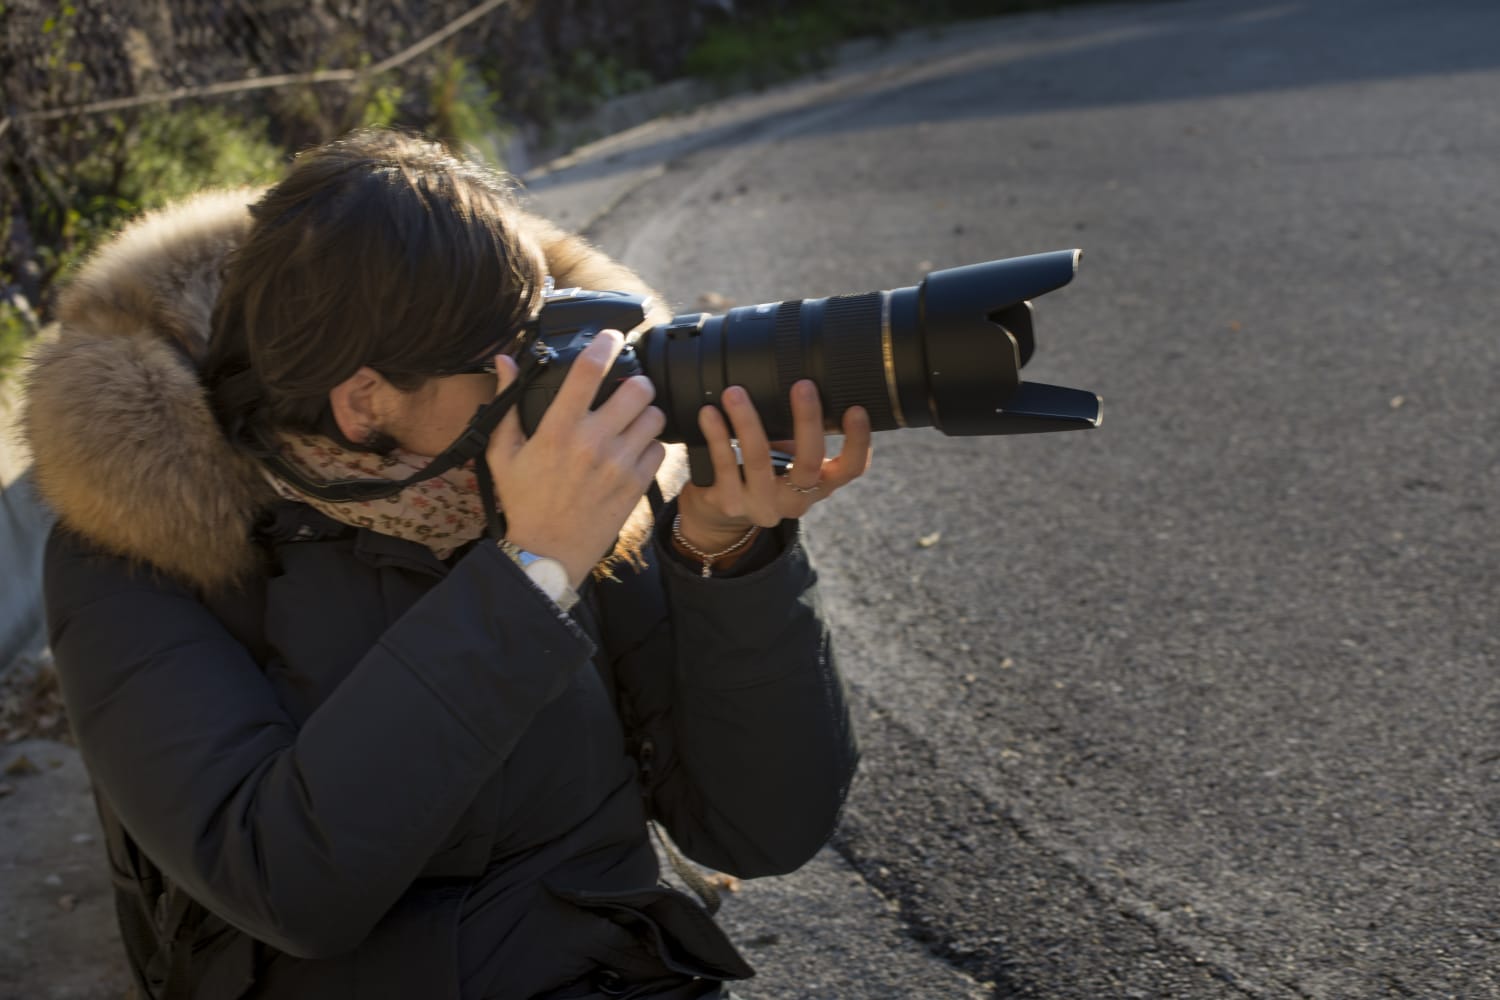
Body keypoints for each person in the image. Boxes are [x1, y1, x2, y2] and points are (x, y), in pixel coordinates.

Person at [23, 128, 870, 999]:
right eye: (510, 361)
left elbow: (760, 829)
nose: (548, 380)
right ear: (366, 402)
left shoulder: (550, 486)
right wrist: (530, 574)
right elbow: (285, 888)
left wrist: (727, 555)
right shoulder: (136, 551)